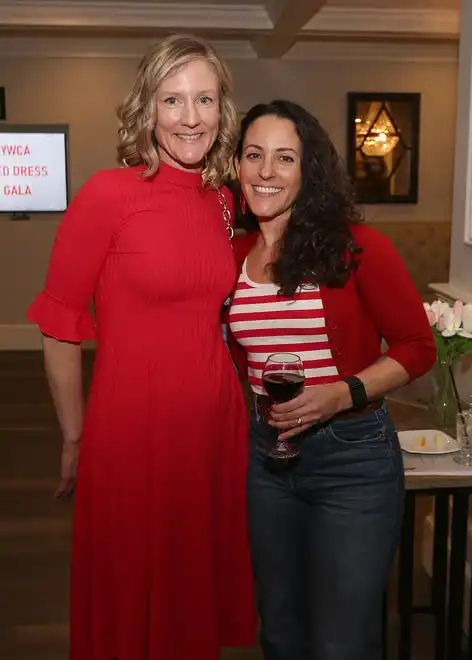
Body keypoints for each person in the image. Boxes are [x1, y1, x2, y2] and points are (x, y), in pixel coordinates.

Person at [27, 34, 255, 660]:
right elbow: (59, 325)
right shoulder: (108, 194)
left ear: (222, 110)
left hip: (213, 422)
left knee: (190, 587)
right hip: (134, 426)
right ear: (147, 110)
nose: (190, 118)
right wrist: (75, 435)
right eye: (173, 100)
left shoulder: (221, 200)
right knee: (133, 586)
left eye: (204, 100)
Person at [226, 100, 436, 660]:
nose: (266, 171)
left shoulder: (356, 248)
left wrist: (342, 393)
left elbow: (419, 347)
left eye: (284, 158)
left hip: (353, 461)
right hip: (267, 460)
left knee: (341, 642)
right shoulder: (230, 255)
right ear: (238, 166)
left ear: (308, 170)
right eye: (254, 155)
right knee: (280, 632)